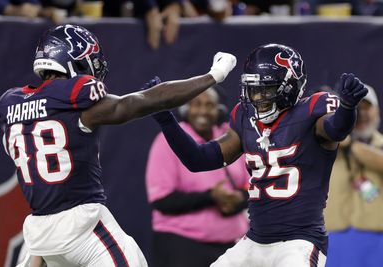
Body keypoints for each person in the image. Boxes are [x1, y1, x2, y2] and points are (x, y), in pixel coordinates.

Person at [0, 24, 236, 266]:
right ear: (74, 61)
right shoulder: (77, 102)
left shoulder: (12, 107)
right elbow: (142, 101)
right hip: (82, 224)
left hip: (39, 230)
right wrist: (213, 76)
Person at [151, 43, 368, 267]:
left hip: (299, 242)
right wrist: (166, 119)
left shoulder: (314, 108)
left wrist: (347, 108)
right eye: (253, 89)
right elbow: (199, 159)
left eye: (266, 89)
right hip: (254, 240)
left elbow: (336, 129)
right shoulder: (245, 117)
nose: (257, 97)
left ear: (290, 86)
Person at [146, 87, 249, 267]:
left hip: (232, 246)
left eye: (209, 105)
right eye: (197, 104)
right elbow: (162, 200)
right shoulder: (167, 141)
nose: (203, 111)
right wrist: (211, 197)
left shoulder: (230, 136)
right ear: (186, 110)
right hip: (182, 245)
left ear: (219, 110)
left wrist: (238, 199)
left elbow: (252, 185)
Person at [324, 84, 383, 267]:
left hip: (377, 241)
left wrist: (352, 145)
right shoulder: (328, 146)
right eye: (357, 109)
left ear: (377, 111)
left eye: (367, 108)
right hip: (333, 241)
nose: (362, 114)